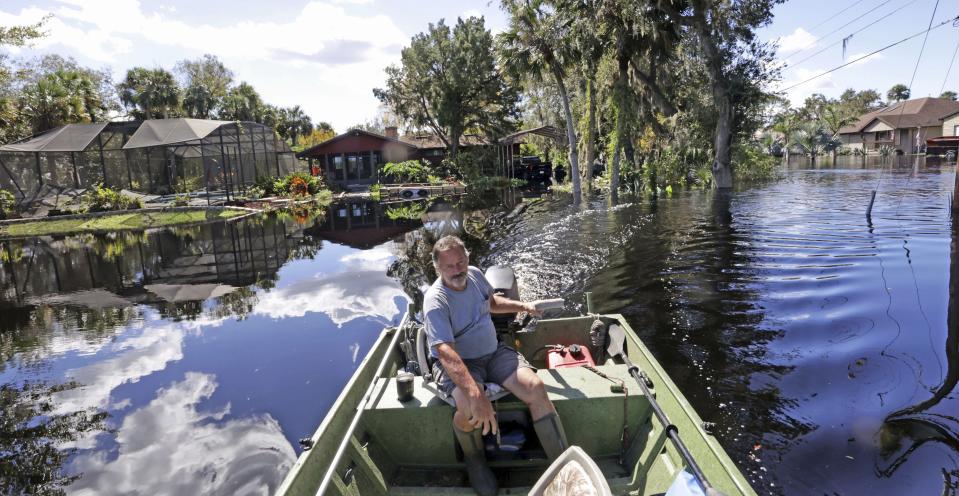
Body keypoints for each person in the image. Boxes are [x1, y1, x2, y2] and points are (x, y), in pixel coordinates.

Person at [423, 235, 569, 496]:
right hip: (461, 363)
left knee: (535, 387)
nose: (457, 270)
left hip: (494, 351)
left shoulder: (476, 275)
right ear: (438, 268)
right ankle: (475, 460)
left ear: (467, 258)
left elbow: (492, 303)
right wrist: (476, 394)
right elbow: (445, 352)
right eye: (449, 266)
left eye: (461, 262)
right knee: (469, 409)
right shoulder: (436, 300)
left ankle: (561, 463)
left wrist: (525, 306)